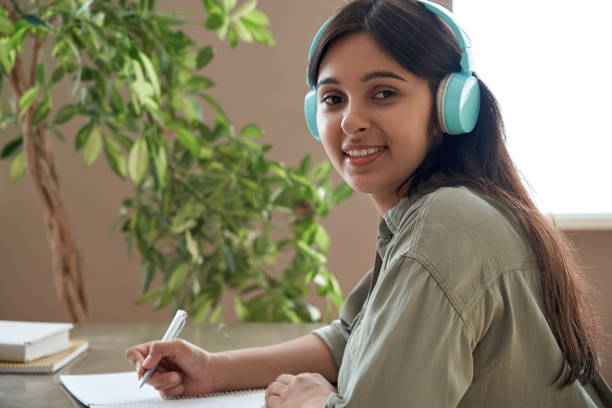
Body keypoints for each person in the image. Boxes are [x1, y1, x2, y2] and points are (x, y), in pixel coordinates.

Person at [125, 0, 612, 406]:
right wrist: (211, 370)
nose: (351, 121)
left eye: (383, 93)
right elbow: (350, 340)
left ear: (450, 107)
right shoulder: (437, 212)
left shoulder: (449, 222)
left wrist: (315, 402)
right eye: (333, 99)